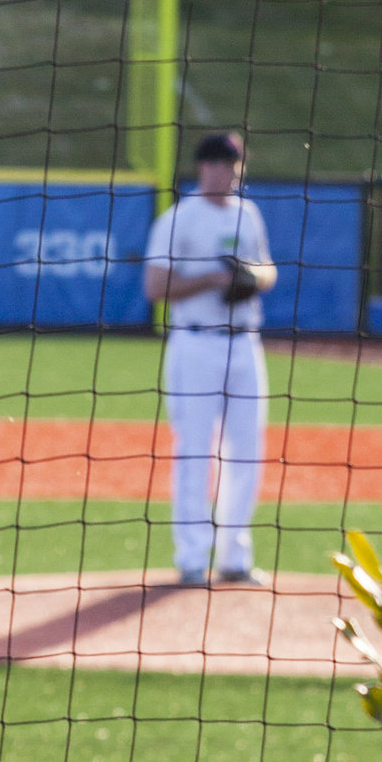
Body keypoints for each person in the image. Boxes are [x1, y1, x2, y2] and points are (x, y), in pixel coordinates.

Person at [142, 130, 279, 587]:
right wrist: (214, 279)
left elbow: (267, 269)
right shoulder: (179, 218)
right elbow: (155, 287)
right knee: (195, 450)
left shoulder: (249, 213)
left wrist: (249, 277)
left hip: (245, 342)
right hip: (195, 343)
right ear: (203, 167)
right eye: (220, 163)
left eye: (234, 164)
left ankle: (235, 556)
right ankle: (192, 558)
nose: (228, 172)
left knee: (249, 452)